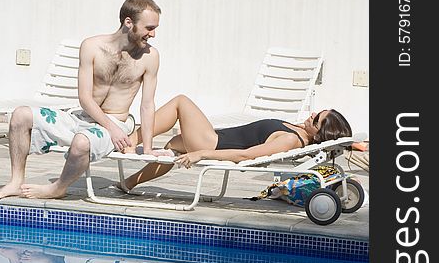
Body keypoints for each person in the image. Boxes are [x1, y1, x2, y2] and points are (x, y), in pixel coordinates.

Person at [0, 0, 161, 202]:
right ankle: (16, 181)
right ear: (128, 23)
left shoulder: (150, 57)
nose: (152, 34)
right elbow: (84, 98)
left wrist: (149, 148)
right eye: (149, 28)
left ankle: (58, 188)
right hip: (82, 117)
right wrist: (108, 126)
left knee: (81, 142)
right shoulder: (91, 46)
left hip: (116, 123)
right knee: (20, 115)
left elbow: (147, 104)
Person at [120, 95, 352, 192]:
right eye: (316, 113)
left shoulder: (291, 140)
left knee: (181, 102)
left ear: (321, 133)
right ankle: (128, 183)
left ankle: (128, 142)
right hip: (213, 138)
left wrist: (201, 154)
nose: (312, 115)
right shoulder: (298, 130)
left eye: (317, 119)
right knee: (170, 149)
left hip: (212, 144)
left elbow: (247, 155)